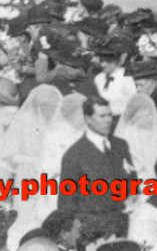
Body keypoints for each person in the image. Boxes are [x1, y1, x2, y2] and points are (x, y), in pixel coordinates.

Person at [58, 96, 136, 237]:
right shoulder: (74, 156)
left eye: (110, 115)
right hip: (92, 233)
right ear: (88, 119)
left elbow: (132, 182)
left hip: (122, 227)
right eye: (102, 116)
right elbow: (66, 205)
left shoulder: (120, 145)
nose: (108, 120)